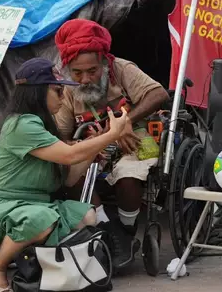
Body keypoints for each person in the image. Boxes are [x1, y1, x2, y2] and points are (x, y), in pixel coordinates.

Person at [0, 58, 129, 292]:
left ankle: (43, 272)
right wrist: (112, 135)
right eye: (58, 90)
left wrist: (92, 148)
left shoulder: (42, 126)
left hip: (34, 208)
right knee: (41, 221)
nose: (63, 97)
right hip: (4, 210)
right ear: (37, 92)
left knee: (87, 217)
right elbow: (70, 155)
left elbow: (70, 177)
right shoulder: (21, 125)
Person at [53, 19, 169, 271]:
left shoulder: (123, 69)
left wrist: (127, 120)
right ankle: (107, 231)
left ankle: (127, 231)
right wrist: (83, 143)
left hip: (134, 142)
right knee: (71, 174)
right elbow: (60, 134)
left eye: (92, 71)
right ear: (68, 69)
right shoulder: (68, 90)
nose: (85, 79)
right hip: (95, 146)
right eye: (77, 73)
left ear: (104, 63)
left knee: (128, 176)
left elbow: (158, 94)